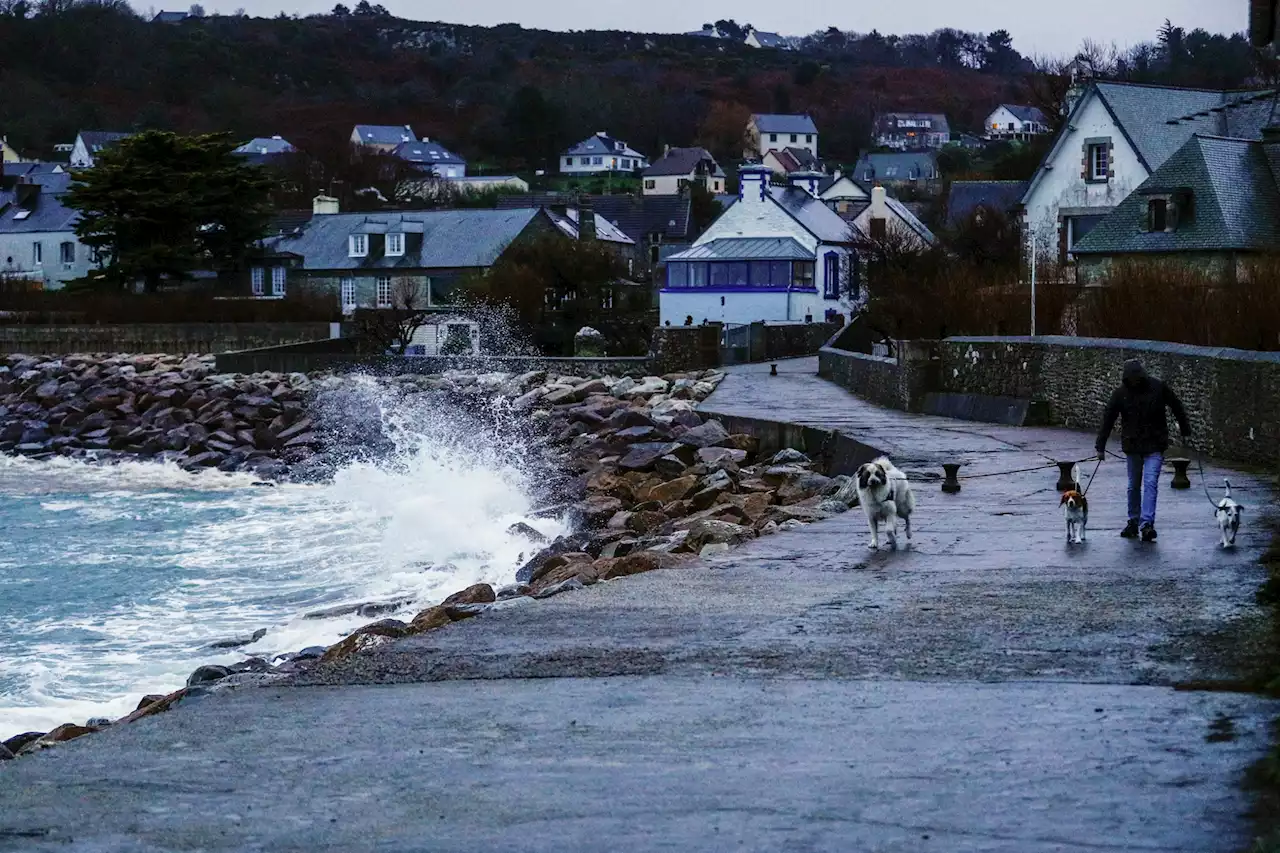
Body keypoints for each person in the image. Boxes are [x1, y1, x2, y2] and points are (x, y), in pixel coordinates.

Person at [1095, 359, 1191, 542]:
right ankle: (1133, 520)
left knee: (1150, 483)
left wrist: (1185, 430)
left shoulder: (1157, 388)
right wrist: (1100, 446)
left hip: (1154, 444)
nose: (1134, 382)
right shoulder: (1120, 394)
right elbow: (1108, 419)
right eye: (1131, 379)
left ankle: (1146, 523)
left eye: (1136, 378)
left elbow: (1176, 405)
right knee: (1133, 485)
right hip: (1133, 447)